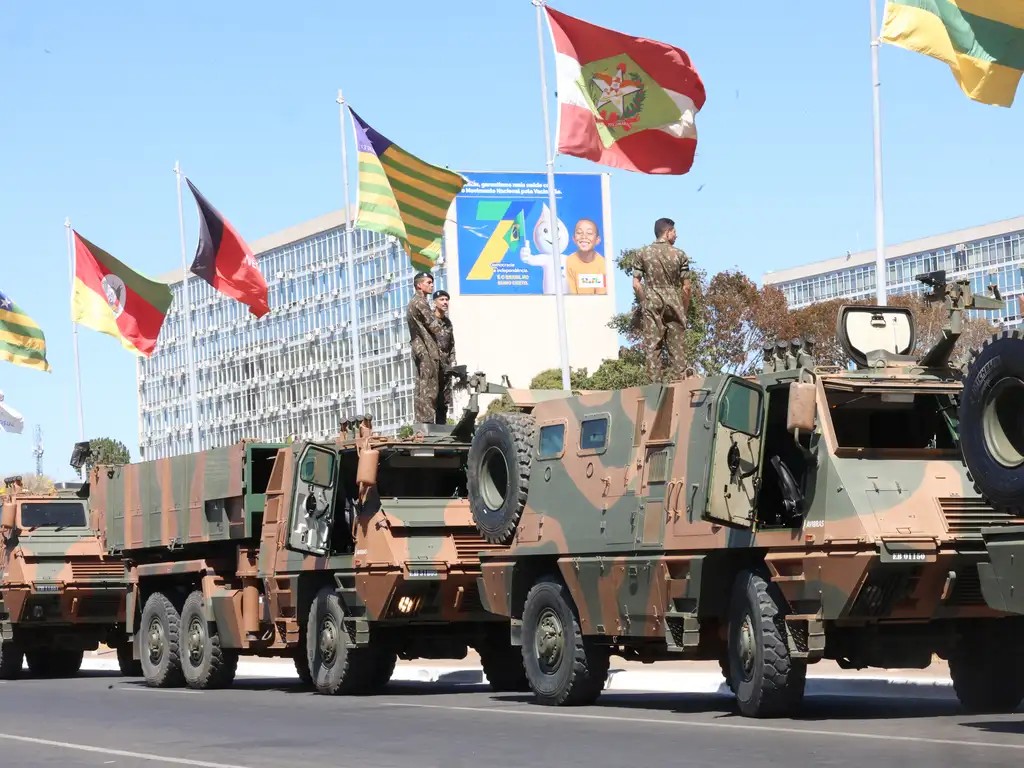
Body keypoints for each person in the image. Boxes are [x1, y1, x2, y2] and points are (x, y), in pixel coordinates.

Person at [632, 217, 692, 383]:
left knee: (653, 348)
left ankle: (655, 389)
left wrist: (644, 303)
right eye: (674, 232)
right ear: (667, 233)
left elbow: (636, 284)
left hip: (651, 300)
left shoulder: (642, 253)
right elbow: (686, 287)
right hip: (674, 302)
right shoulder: (680, 255)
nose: (676, 235)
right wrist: (684, 310)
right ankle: (681, 385)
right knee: (677, 350)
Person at [406, 272, 447, 424]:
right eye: (428, 282)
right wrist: (445, 335)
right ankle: (427, 423)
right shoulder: (420, 302)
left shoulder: (414, 302)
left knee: (423, 386)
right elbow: (433, 325)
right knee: (429, 388)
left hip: (421, 349)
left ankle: (423, 421)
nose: (431, 285)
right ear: (419, 285)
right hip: (426, 350)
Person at [564, 218, 607, 295]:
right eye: (579, 232)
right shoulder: (569, 261)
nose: (584, 236)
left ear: (597, 240)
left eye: (589, 233)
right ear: (574, 238)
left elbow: (601, 296)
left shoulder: (602, 263)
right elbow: (572, 293)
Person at [432, 289, 456, 424]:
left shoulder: (448, 323)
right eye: (441, 299)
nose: (445, 302)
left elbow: (451, 344)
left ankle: (441, 426)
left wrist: (452, 362)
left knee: (444, 401)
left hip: (445, 368)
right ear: (435, 302)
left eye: (447, 300)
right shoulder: (429, 320)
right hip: (433, 366)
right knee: (431, 399)